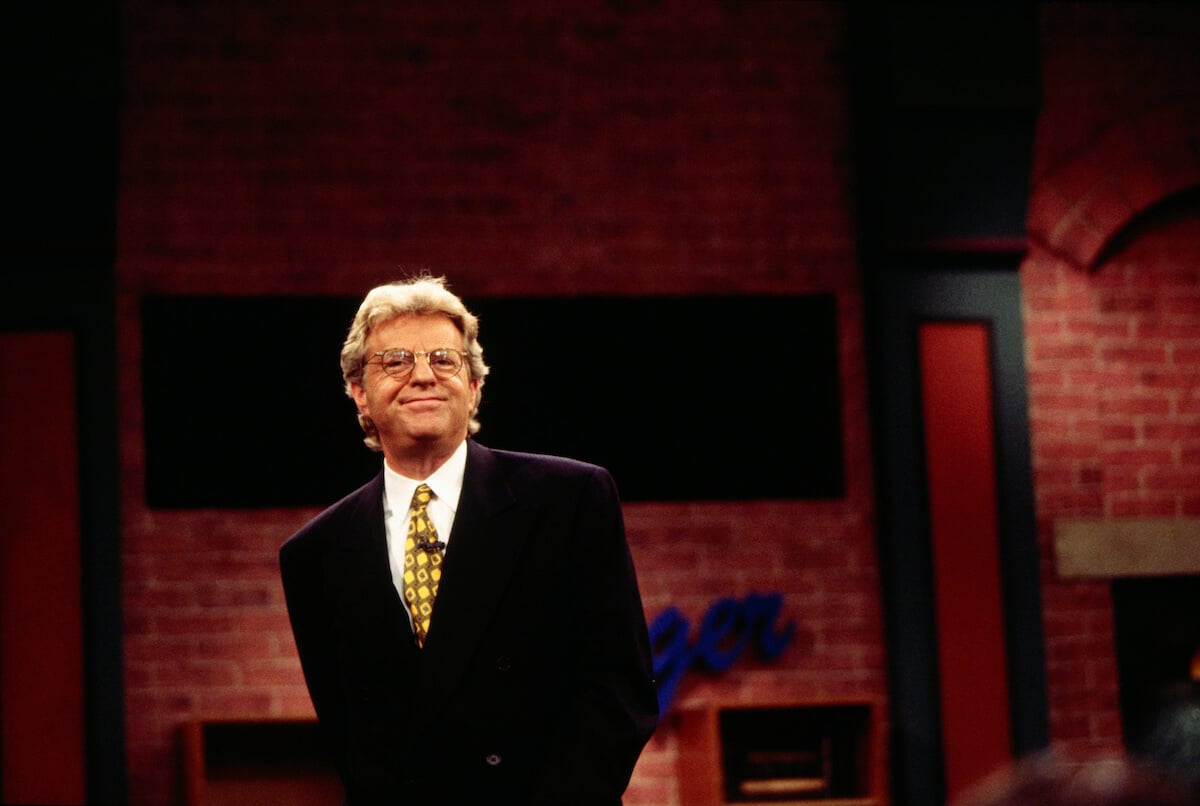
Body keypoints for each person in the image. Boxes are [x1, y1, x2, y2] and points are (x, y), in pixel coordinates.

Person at [280, 275, 659, 804]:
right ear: (359, 392)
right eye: (395, 361)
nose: (422, 376)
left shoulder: (570, 500)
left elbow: (621, 693)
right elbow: (351, 739)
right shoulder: (313, 555)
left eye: (444, 359)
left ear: (475, 385)